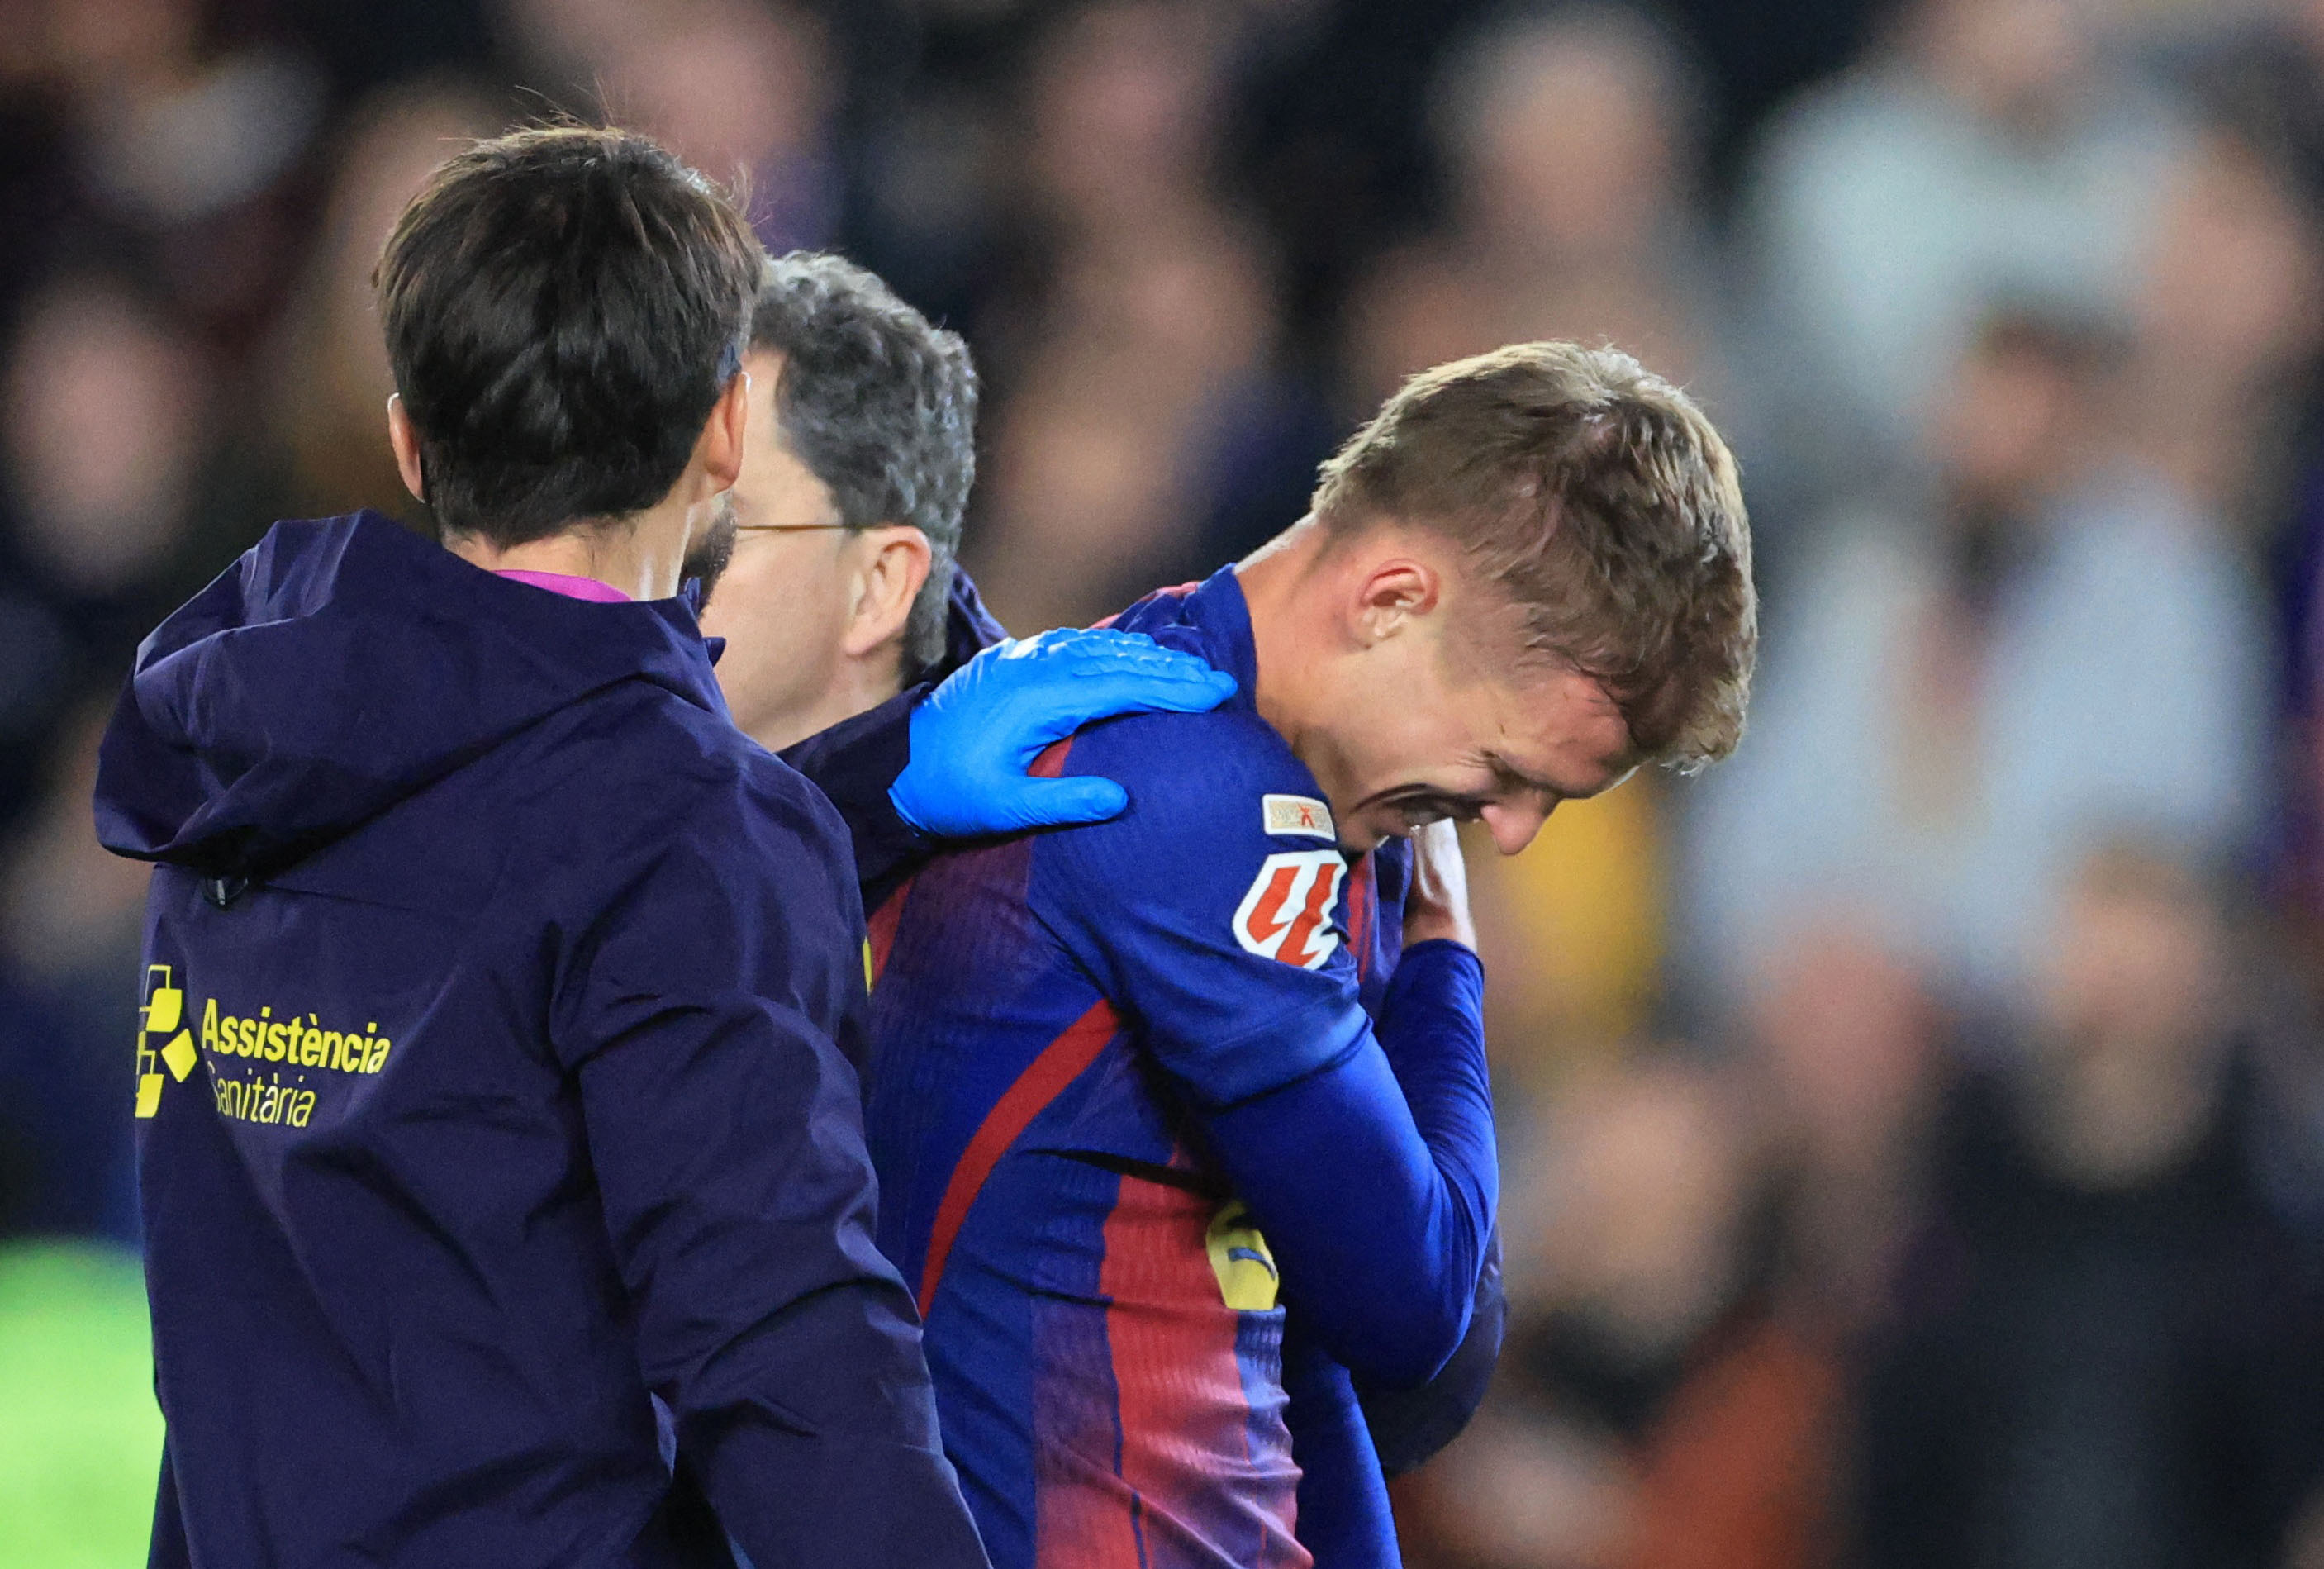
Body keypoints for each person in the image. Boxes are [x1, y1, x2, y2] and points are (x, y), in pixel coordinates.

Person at [90, 125, 1233, 1569]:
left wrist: (859, 796)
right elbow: (782, 1341)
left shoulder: (248, 741)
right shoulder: (685, 832)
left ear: (408, 435)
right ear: (720, 436)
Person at [859, 341, 1756, 1567]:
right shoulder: (1201, 805)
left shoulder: (1332, 797)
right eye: (1505, 771)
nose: (1505, 833)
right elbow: (1421, 1322)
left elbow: (1341, 1370)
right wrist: (1446, 971)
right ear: (1391, 601)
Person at [704, 249, 1507, 1564]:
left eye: (714, 537)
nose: (646, 575)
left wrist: (1439, 968)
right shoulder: (621, 800)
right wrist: (869, 793)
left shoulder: (1093, 842)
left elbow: (1376, 1347)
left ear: (878, 581)